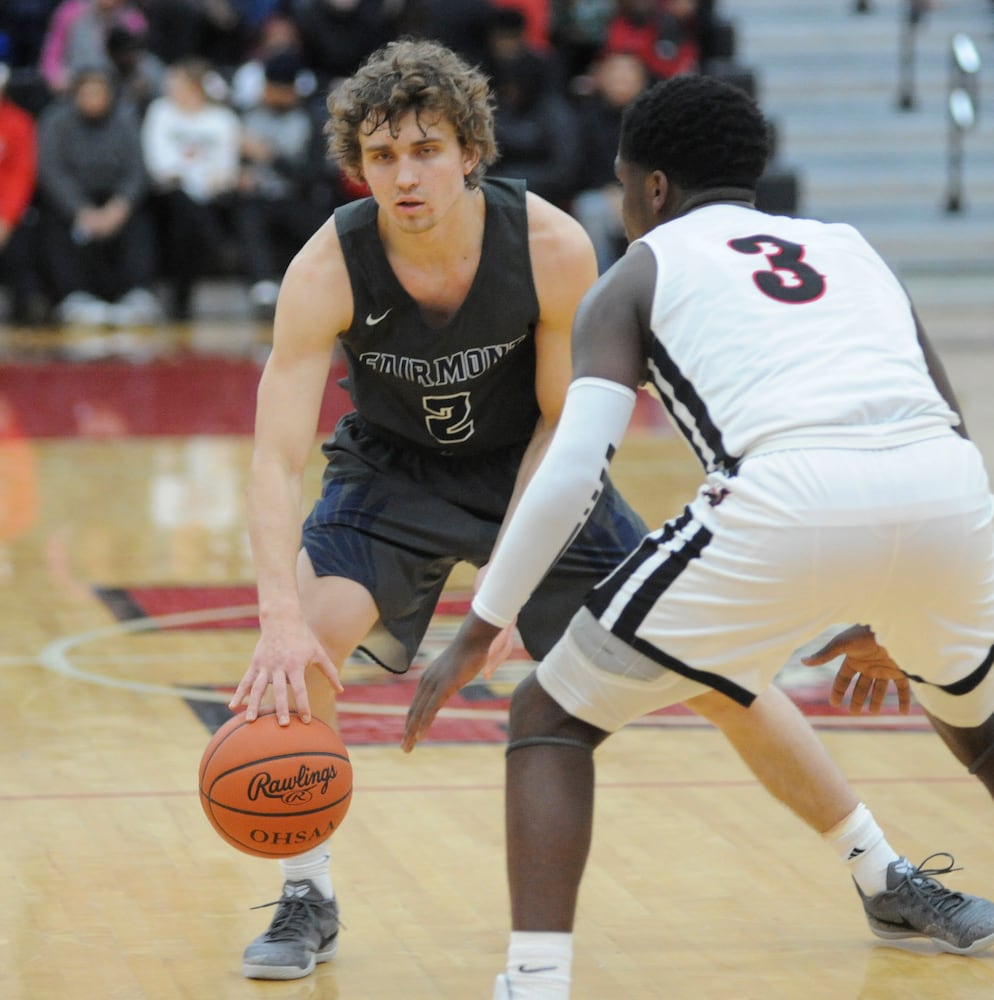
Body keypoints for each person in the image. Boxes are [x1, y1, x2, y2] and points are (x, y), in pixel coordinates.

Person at [228, 40, 994, 986]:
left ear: (471, 150)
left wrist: (500, 592)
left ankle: (884, 873)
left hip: (533, 473)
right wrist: (275, 617)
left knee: (723, 677)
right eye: (382, 157)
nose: (404, 175)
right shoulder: (330, 262)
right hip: (394, 477)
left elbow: (564, 430)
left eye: (425, 149)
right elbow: (274, 453)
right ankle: (308, 892)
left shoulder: (548, 242)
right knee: (304, 653)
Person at [36, 63, 160, 324]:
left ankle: (137, 293)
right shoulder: (55, 120)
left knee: (142, 215)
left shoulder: (126, 119)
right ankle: (74, 295)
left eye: (99, 92)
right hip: (74, 199)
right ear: (76, 94)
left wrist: (120, 205)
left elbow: (137, 170)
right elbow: (51, 171)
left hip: (115, 197)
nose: (93, 100)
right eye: (87, 93)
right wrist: (80, 209)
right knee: (53, 218)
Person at [141, 57, 242, 319]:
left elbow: (226, 169)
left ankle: (181, 297)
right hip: (168, 194)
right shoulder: (160, 111)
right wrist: (192, 178)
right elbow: (160, 165)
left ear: (195, 87)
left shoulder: (222, 119)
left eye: (176, 84)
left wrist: (201, 181)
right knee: (183, 207)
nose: (170, 90)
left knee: (194, 213)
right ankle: (213, 247)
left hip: (212, 196)